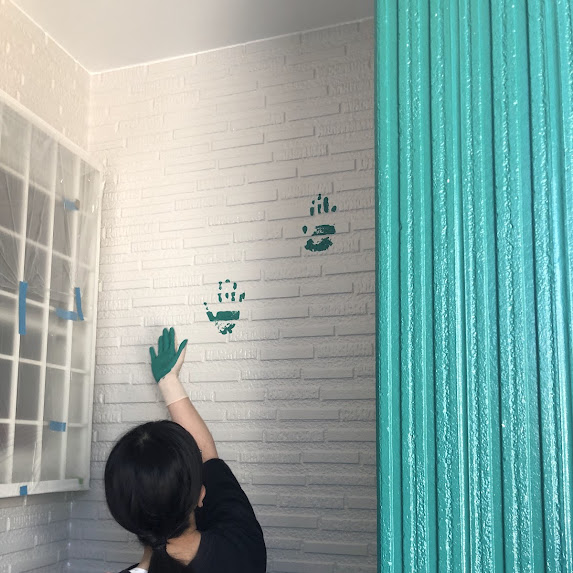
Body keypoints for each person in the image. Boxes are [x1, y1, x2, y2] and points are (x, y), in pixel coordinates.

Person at [104, 327, 267, 573]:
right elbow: (208, 458)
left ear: (121, 512)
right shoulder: (242, 550)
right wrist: (169, 382)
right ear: (201, 494)